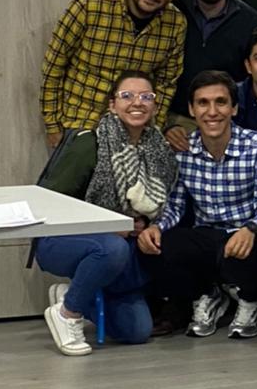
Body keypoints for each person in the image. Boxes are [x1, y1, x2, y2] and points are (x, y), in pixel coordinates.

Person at [35, 70, 179, 355]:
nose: (137, 102)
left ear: (155, 105)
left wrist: (148, 225)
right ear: (112, 104)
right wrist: (108, 224)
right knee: (113, 248)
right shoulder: (90, 143)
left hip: (121, 245)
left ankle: (74, 293)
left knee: (136, 331)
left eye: (146, 96)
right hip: (58, 239)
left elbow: (159, 205)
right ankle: (68, 314)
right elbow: (48, 203)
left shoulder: (161, 151)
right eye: (127, 96)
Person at [137, 70, 257, 340]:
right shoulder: (184, 151)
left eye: (220, 102)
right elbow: (175, 207)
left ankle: (249, 298)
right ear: (192, 109)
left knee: (244, 248)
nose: (212, 112)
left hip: (246, 236)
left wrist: (251, 229)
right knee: (163, 243)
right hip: (207, 236)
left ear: (234, 108)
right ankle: (208, 294)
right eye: (203, 103)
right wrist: (156, 227)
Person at [97, 0, 257, 152]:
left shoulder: (250, 21)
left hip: (225, 120)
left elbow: (253, 84)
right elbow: (138, 0)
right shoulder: (168, 8)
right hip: (174, 122)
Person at [41, 0, 186, 147]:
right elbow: (53, 68)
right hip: (80, 123)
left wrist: (154, 130)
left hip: (132, 131)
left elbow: (165, 84)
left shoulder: (175, 24)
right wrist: (52, 126)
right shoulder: (89, 7)